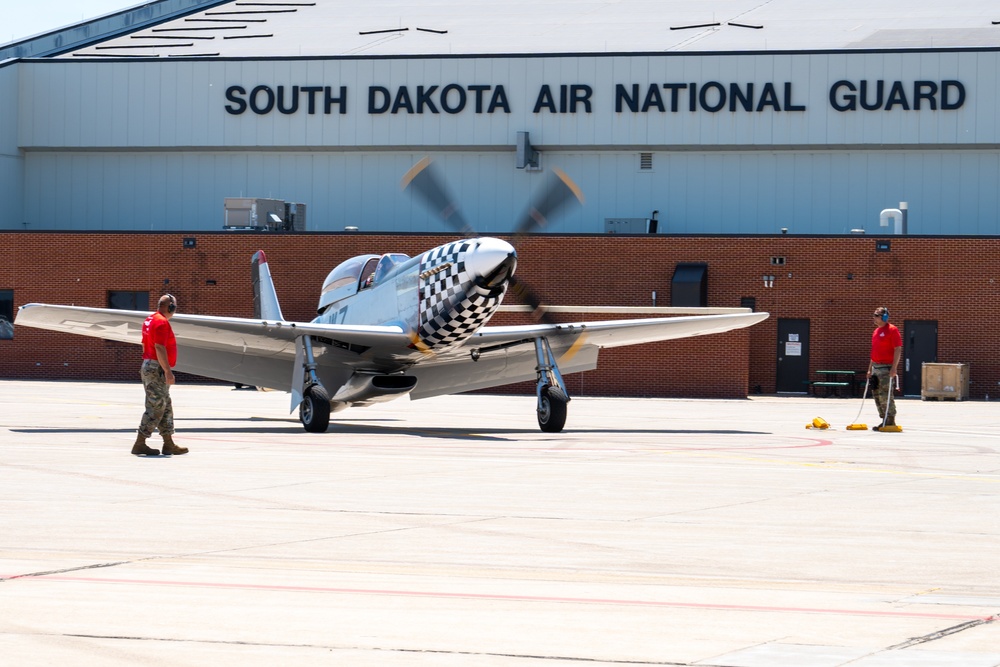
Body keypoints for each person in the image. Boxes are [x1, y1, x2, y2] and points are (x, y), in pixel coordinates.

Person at [133, 294, 188, 456]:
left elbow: (145, 344)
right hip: (157, 367)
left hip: (150, 365)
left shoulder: (150, 320)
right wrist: (167, 371)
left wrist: (147, 365)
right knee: (156, 406)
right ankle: (140, 442)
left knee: (165, 405)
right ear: (170, 307)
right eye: (175, 307)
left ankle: (168, 443)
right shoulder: (161, 322)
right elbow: (159, 347)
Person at [867, 306, 902, 431]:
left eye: (876, 315)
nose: (874, 318)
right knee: (876, 394)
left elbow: (898, 348)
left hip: (886, 368)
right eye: (874, 315)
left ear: (885, 317)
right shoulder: (876, 332)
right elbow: (874, 352)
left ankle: (890, 419)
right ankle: (883, 418)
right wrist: (869, 369)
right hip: (876, 367)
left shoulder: (892, 330)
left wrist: (894, 368)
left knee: (885, 394)